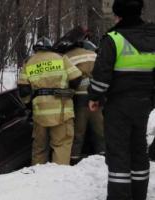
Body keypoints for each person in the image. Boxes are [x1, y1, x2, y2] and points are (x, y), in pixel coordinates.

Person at [88, 0, 155, 199]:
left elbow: (101, 75)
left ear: (119, 15)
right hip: (144, 103)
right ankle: (138, 194)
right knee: (138, 148)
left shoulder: (114, 39)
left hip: (118, 105)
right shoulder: (152, 37)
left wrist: (95, 97)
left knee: (118, 152)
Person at [17, 36, 82, 165]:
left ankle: (38, 178)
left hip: (40, 113)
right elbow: (76, 78)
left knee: (40, 148)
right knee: (61, 145)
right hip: (62, 110)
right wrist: (69, 91)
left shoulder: (29, 62)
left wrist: (29, 104)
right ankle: (58, 177)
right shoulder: (61, 58)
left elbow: (23, 90)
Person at [54, 26, 105, 165]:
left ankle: (74, 159)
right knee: (99, 130)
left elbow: (65, 79)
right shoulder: (94, 55)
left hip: (79, 98)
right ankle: (102, 157)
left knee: (78, 132)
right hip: (96, 95)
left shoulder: (67, 56)